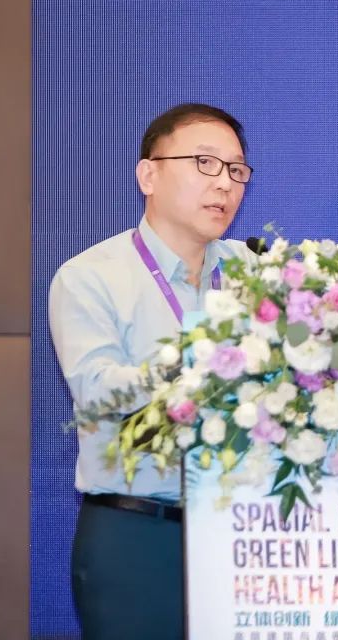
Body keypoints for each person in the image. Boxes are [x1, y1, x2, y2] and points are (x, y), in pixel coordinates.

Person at [48, 103, 256, 639]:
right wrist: (200, 355)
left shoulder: (258, 273)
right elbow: (98, 391)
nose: (224, 184)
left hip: (245, 536)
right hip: (139, 534)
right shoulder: (90, 277)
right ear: (148, 175)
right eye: (205, 163)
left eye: (236, 170)